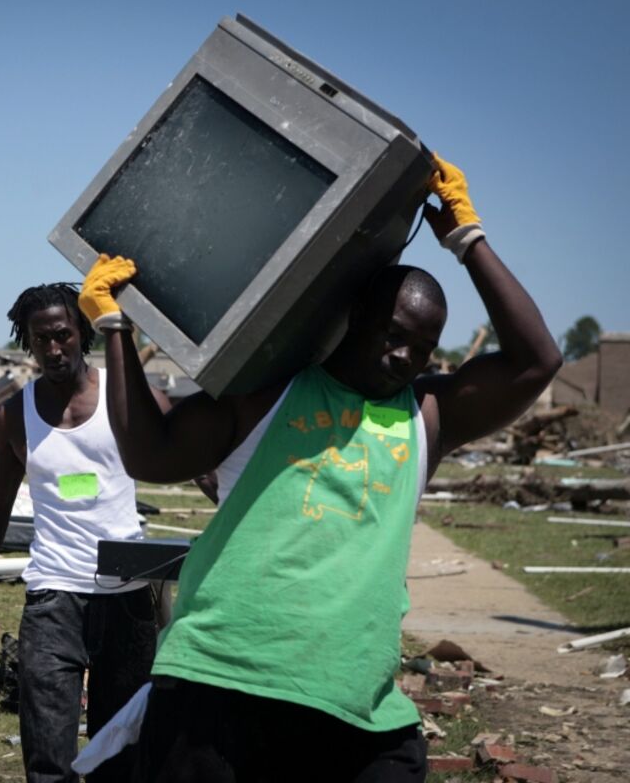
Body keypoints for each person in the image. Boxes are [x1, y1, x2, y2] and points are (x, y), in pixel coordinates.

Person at [78, 156, 562, 782]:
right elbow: (152, 454)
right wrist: (113, 328)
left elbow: (536, 361)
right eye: (394, 334)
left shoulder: (425, 417)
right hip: (221, 681)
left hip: (352, 700)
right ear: (356, 318)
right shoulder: (271, 392)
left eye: (422, 347)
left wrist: (467, 237)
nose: (405, 356)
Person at [0, 282, 169, 783]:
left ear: (83, 332)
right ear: (27, 341)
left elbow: (199, 463)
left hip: (126, 596)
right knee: (47, 751)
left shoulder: (126, 398)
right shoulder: (12, 417)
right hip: (53, 597)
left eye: (62, 334)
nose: (53, 348)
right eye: (40, 338)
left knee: (120, 752)